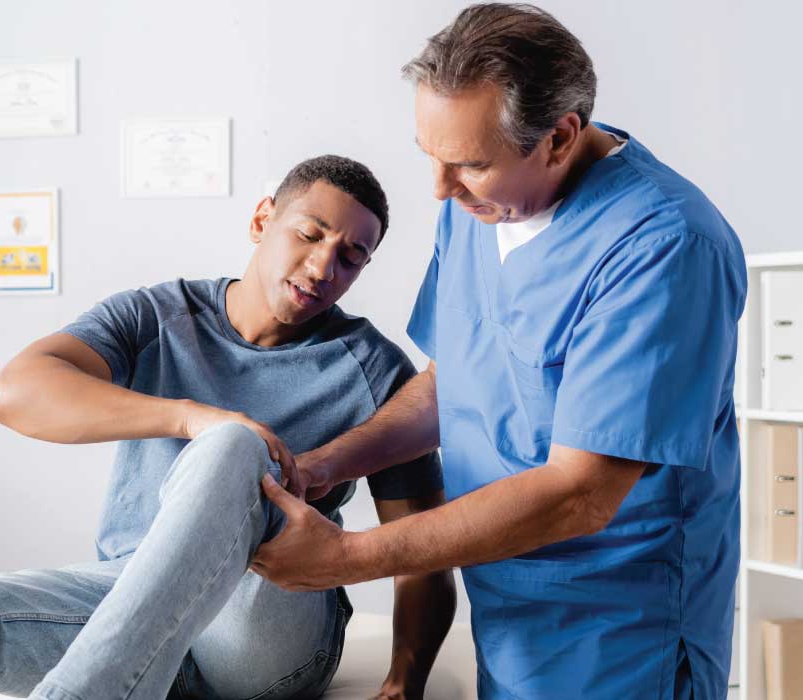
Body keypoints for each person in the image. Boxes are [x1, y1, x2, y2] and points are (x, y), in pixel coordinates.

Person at [0, 156, 456, 700]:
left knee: (233, 446)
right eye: (310, 234)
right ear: (262, 219)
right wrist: (188, 414)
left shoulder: (374, 370)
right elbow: (13, 392)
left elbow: (420, 555)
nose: (322, 267)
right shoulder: (159, 314)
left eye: (350, 257)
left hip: (264, 627)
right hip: (123, 591)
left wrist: (404, 685)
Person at [249, 5, 745, 698]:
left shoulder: (663, 247)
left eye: (470, 164)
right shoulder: (481, 207)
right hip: (509, 608)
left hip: (620, 630)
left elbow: (580, 495)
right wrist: (330, 464)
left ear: (560, 137)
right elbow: (458, 380)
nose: (440, 189)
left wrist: (347, 557)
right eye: (431, 155)